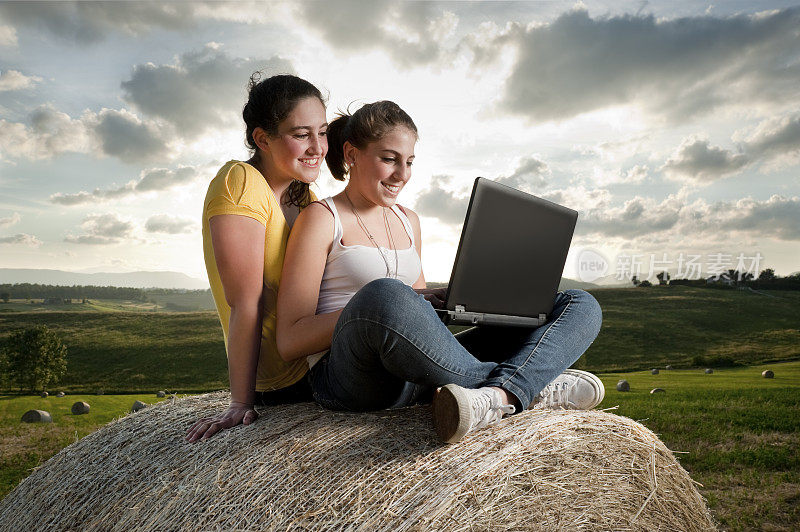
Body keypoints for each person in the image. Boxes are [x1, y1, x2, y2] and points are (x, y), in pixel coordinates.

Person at [276, 100, 605, 443]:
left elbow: (419, 328)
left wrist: (441, 303)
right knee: (384, 294)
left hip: (416, 377)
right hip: (351, 378)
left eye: (409, 162)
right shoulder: (321, 218)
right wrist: (374, 309)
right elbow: (290, 340)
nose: (402, 174)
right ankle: (529, 385)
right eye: (389, 159)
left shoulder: (409, 221)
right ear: (352, 153)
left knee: (579, 303)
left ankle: (498, 397)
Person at [185, 73, 328, 443]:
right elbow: (245, 301)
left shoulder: (305, 199)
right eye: (301, 134)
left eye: (323, 132)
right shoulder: (241, 181)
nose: (317, 147)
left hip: (320, 354)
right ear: (262, 138)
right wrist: (240, 402)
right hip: (291, 378)